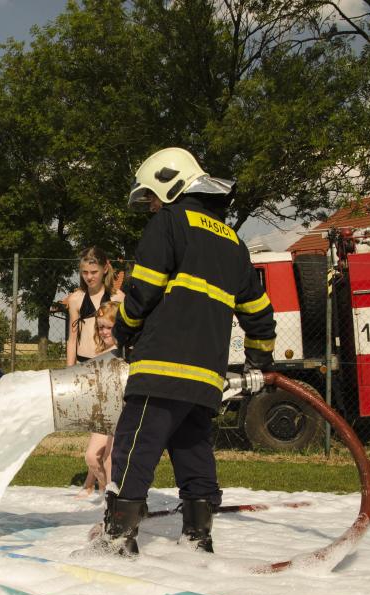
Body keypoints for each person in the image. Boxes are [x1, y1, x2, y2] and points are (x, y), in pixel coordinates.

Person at [97, 147, 276, 557]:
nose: (151, 206)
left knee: (136, 445)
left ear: (170, 184)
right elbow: (260, 313)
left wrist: (123, 330)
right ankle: (198, 537)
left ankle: (118, 537)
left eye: (152, 197)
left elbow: (142, 291)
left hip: (161, 367)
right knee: (192, 449)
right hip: (206, 376)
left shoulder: (169, 223)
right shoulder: (233, 242)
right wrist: (259, 360)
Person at [76, 301, 120, 499]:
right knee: (92, 457)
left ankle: (112, 500)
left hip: (122, 413)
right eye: (100, 327)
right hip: (104, 412)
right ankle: (104, 489)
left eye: (108, 327)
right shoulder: (100, 353)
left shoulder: (124, 351)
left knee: (110, 459)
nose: (103, 332)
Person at [65, 247, 122, 366]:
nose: (89, 277)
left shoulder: (118, 297)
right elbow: (72, 340)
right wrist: (69, 369)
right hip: (82, 363)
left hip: (110, 364)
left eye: (94, 272)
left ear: (105, 269)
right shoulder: (75, 299)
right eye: (85, 272)